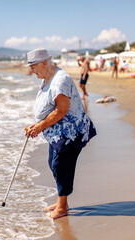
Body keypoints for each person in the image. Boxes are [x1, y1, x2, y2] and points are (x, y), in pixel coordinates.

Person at [25, 48, 96, 219]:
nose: (32, 71)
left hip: (70, 133)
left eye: (33, 67)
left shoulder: (60, 80)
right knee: (53, 163)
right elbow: (49, 106)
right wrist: (38, 124)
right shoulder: (47, 76)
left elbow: (61, 110)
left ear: (43, 63)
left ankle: (63, 207)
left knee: (61, 166)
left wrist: (40, 126)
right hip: (57, 132)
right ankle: (60, 201)